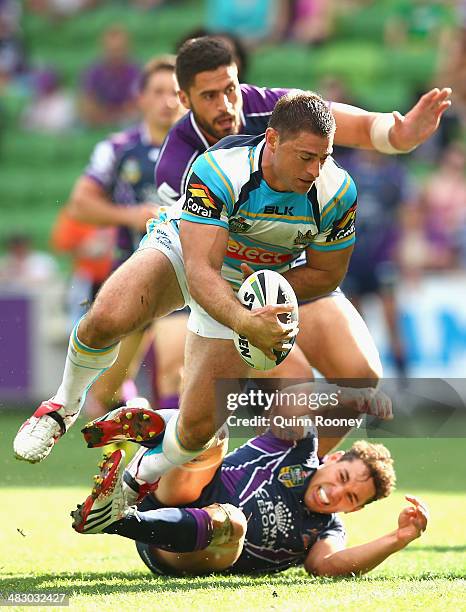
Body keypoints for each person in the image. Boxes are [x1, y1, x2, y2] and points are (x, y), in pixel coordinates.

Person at [14, 91, 357, 480]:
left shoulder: (337, 193)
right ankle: (61, 407)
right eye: (306, 157)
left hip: (245, 284)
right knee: (106, 317)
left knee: (199, 429)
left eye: (324, 158)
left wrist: (268, 300)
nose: (315, 170)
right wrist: (246, 324)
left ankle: (136, 479)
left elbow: (327, 273)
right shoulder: (220, 169)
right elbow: (199, 270)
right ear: (273, 140)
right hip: (187, 250)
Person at [154, 36, 450, 387]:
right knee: (225, 414)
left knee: (360, 376)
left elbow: (333, 120)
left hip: (291, 268)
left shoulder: (269, 107)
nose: (226, 105)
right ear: (185, 100)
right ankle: (159, 426)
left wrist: (395, 133)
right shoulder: (178, 165)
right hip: (229, 282)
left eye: (230, 89)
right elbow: (200, 259)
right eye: (209, 96)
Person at [71, 408, 428, 577]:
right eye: (343, 476)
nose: (336, 493)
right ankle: (150, 442)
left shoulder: (327, 530)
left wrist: (399, 538)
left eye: (351, 498)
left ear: (354, 511)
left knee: (232, 522)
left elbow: (327, 567)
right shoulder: (298, 446)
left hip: (178, 553)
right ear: (331, 458)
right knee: (214, 428)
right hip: (177, 491)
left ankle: (117, 514)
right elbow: (280, 396)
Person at [66, 55, 187, 416]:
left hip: (181, 275)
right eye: (159, 91)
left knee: (174, 368)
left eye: (176, 93)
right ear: (142, 99)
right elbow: (79, 205)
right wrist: (129, 215)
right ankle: (134, 417)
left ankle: (173, 466)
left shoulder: (205, 150)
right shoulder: (118, 149)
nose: (168, 101)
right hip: (129, 275)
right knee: (103, 393)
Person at [78, 24, 141, 128]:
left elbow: (138, 105)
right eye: (112, 50)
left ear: (127, 48)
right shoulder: (92, 72)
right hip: (98, 122)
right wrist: (105, 116)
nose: (115, 55)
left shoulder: (136, 71)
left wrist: (118, 115)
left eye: (119, 50)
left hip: (127, 123)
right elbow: (86, 104)